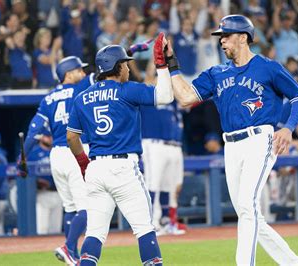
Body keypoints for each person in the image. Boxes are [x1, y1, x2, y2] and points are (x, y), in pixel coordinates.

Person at [167, 15, 298, 266]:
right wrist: (171, 64)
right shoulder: (216, 72)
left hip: (259, 140)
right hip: (231, 145)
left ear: (243, 37)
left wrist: (288, 128)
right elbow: (184, 97)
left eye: (226, 36)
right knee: (249, 213)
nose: (221, 41)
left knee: (247, 207)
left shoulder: (268, 67)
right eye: (220, 37)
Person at [66, 34, 173, 265]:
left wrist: (84, 164)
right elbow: (166, 95)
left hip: (95, 169)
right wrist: (162, 65)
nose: (128, 67)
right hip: (123, 168)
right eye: (125, 63)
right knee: (144, 228)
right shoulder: (127, 89)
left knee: (95, 234)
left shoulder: (82, 97)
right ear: (116, 66)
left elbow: (71, 137)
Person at [21, 56, 95, 265]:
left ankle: (73, 254)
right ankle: (69, 247)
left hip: (57, 155)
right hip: (77, 149)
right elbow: (107, 68)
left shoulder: (48, 98)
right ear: (69, 73)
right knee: (88, 207)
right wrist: (132, 49)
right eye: (79, 70)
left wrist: (22, 158)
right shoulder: (81, 87)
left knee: (70, 207)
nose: (83, 73)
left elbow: (33, 133)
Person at [140, 102, 185, 236]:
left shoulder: (174, 102)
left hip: (174, 145)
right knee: (153, 184)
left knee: (169, 186)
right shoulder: (146, 95)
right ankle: (152, 224)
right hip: (154, 144)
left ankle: (166, 221)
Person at [26, 134, 63, 235]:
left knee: (56, 230)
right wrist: (37, 181)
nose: (50, 138)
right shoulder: (33, 153)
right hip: (42, 194)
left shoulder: (58, 151)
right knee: (42, 229)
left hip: (58, 193)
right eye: (47, 136)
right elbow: (25, 172)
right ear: (41, 137)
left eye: (51, 136)